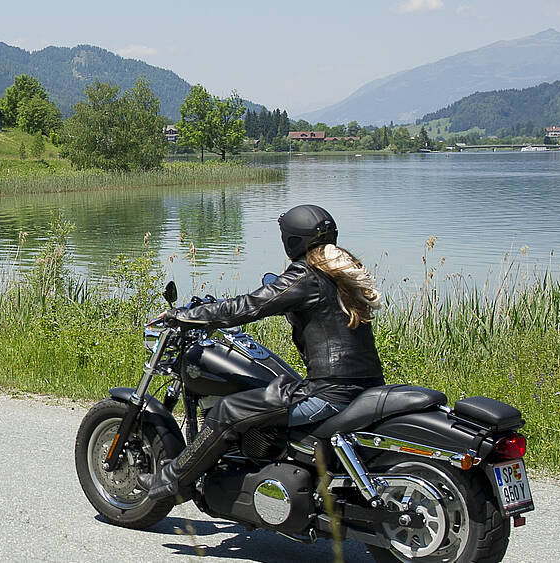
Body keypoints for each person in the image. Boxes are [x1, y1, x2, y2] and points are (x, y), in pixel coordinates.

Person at [140, 204, 385, 503]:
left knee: (227, 411)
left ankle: (172, 482)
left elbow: (250, 306)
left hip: (329, 394)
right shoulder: (341, 275)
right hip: (364, 389)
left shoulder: (306, 275)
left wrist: (187, 315)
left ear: (292, 240)